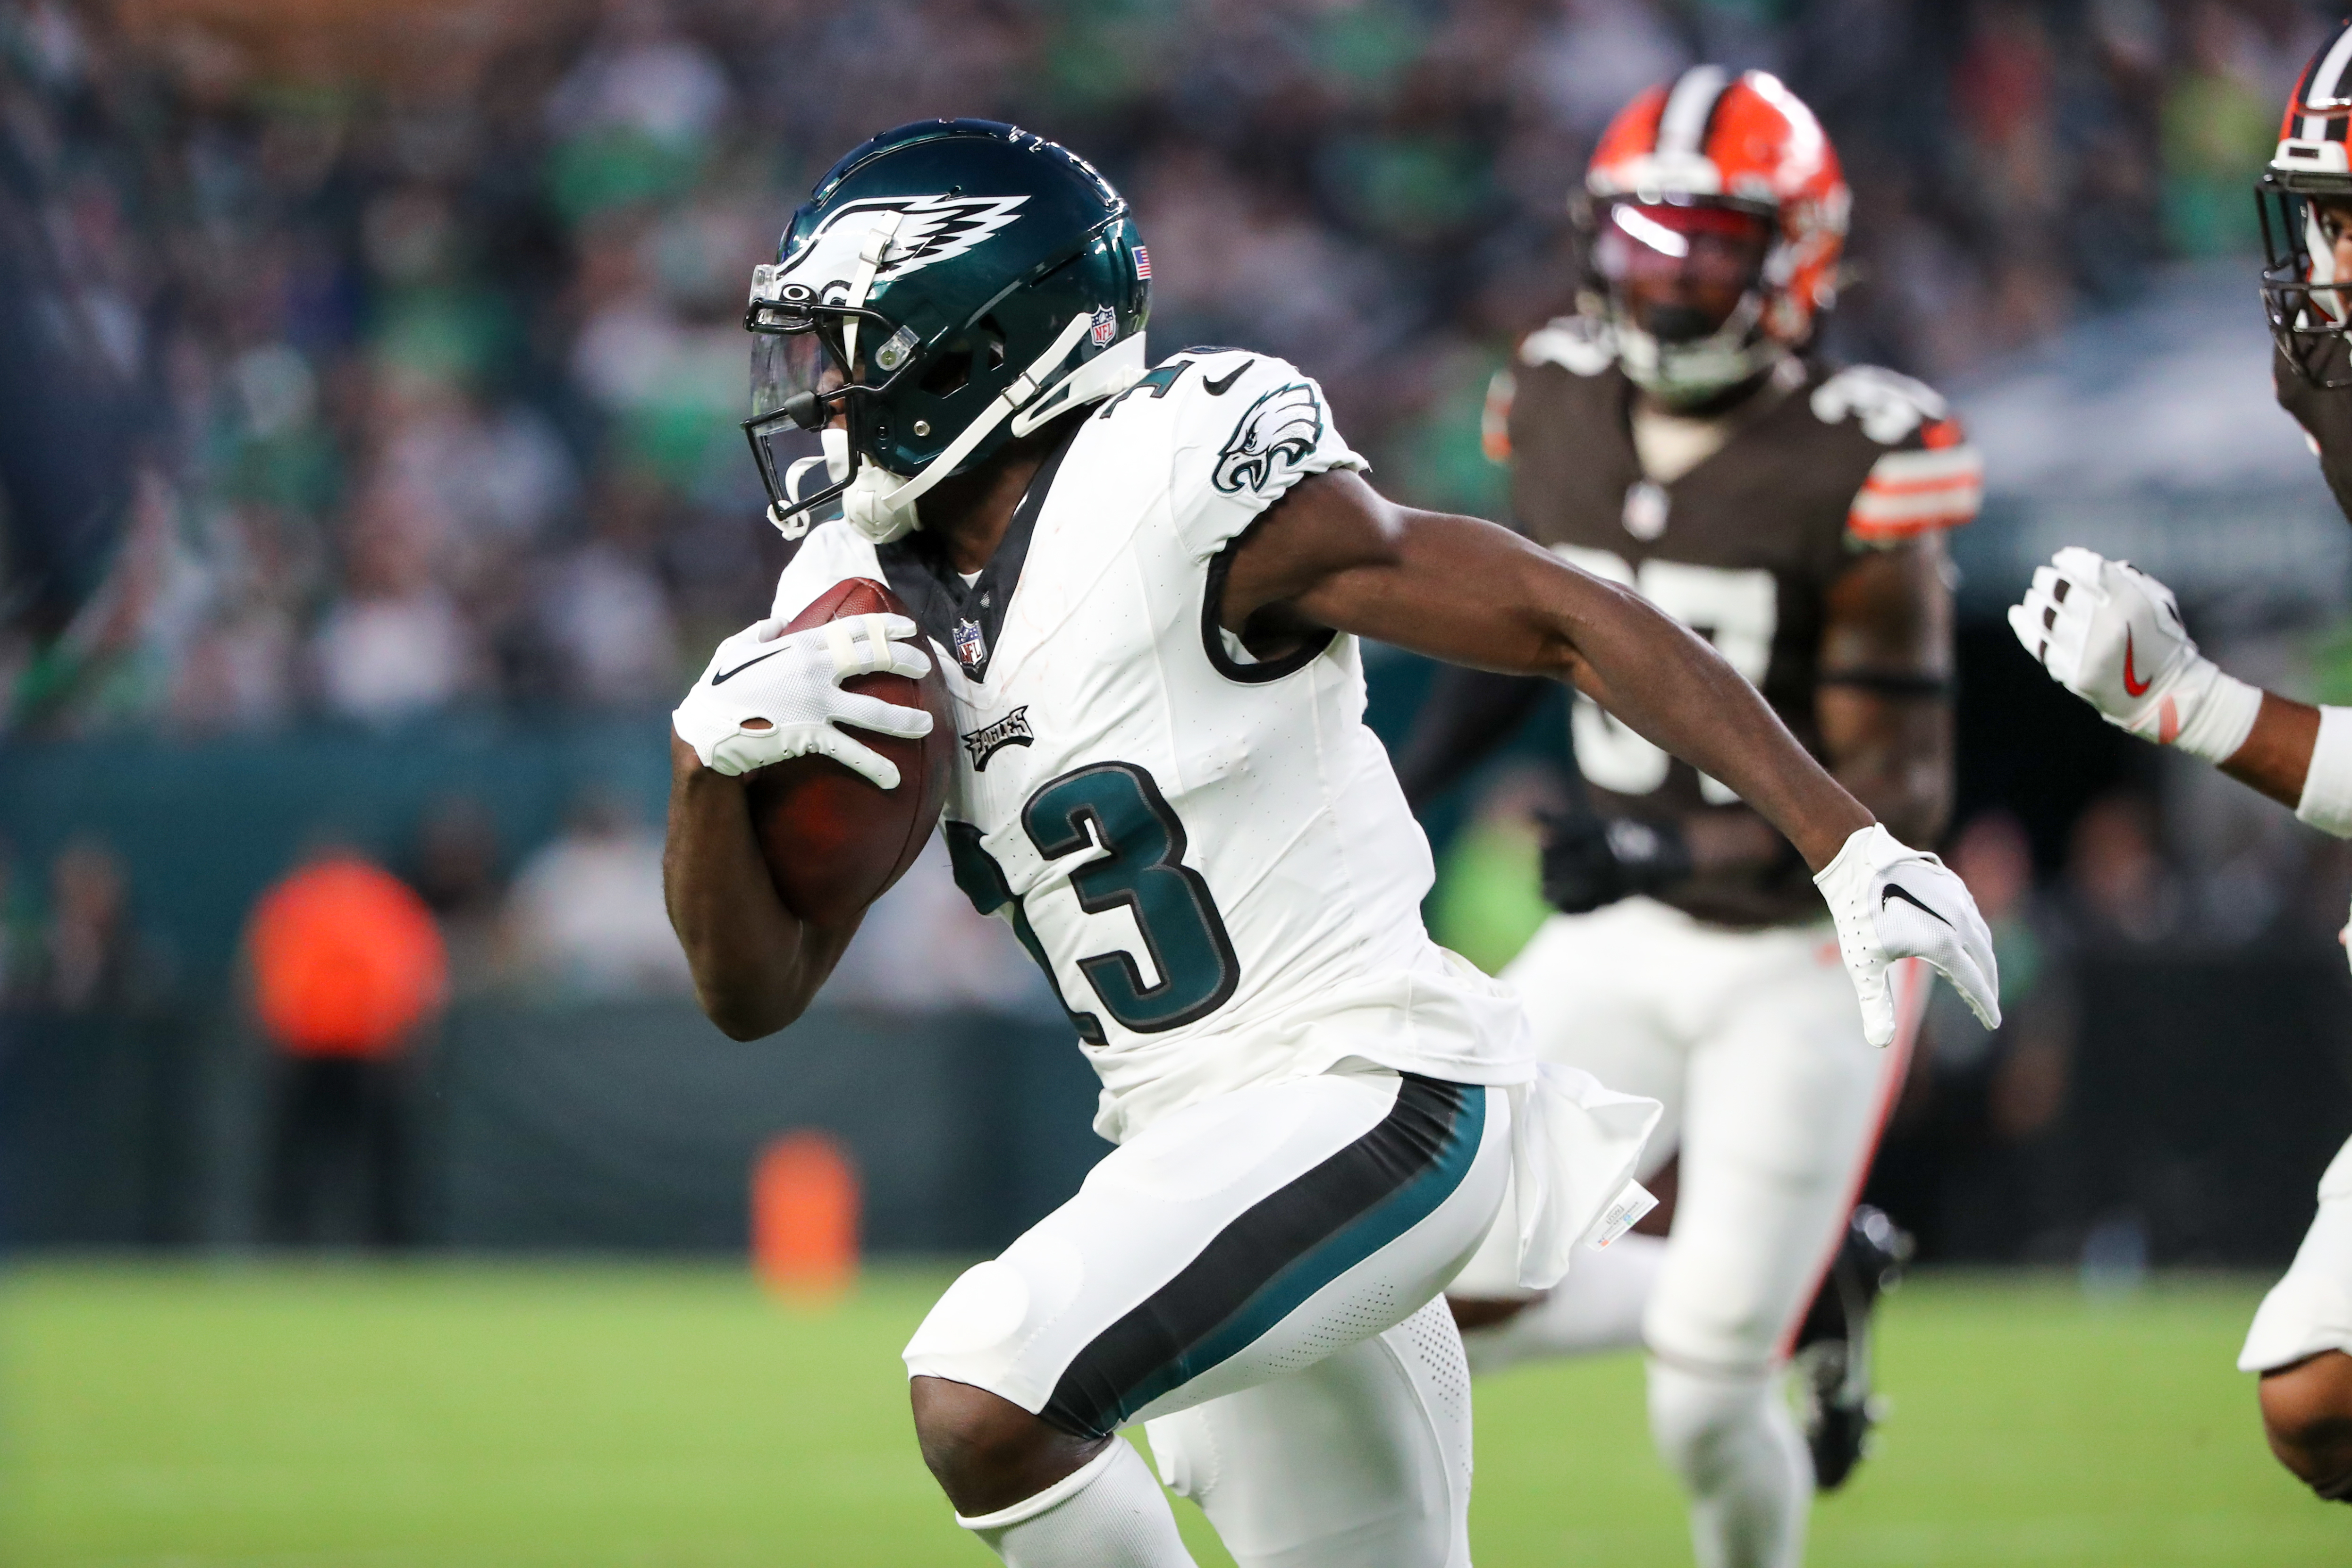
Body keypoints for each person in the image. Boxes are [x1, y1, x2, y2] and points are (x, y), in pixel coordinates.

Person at [662, 119, 1999, 1568]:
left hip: (1371, 1086)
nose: (819, 392)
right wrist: (703, 762)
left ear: (975, 341)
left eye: (852, 344)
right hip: (1190, 1136)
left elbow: (1553, 610)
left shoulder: (1174, 470)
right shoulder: (860, 597)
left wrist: (1837, 837)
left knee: (985, 1392)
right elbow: (755, 990)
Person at [1388, 67, 1981, 1561]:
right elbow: (1516, 638)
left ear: (1795, 258)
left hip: (1803, 962)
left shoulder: (1865, 450)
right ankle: (1805, 1284)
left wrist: (1649, 842)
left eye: (1707, 244)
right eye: (1643, 238)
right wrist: (1387, 800)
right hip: (1625, 925)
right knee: (1404, 1284)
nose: (1664, 280)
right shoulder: (1556, 394)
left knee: (1704, 1407)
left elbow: (1894, 803)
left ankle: (1763, 1332)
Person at [2008, 21, 2352, 1504]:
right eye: (2320, 218)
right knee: (2314, 1397)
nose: (2318, 260)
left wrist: (2189, 708)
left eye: (2347, 222)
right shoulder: (2330, 399)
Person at [245, 841, 446, 1247]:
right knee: (378, 1158)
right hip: (368, 1048)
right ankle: (391, 1245)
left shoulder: (296, 898)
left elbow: (260, 970)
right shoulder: (386, 897)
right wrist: (412, 1038)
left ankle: (285, 1242)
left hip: (310, 1045)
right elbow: (421, 975)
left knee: (298, 1154)